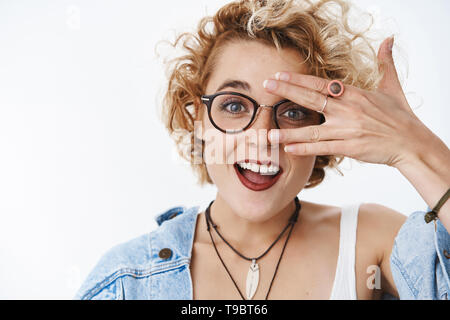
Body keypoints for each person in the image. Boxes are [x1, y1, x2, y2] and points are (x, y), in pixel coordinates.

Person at [74, 0, 450, 300]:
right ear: (197, 119)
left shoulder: (372, 241)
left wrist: (415, 148)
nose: (263, 136)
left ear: (325, 128)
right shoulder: (128, 280)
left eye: (293, 111)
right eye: (235, 105)